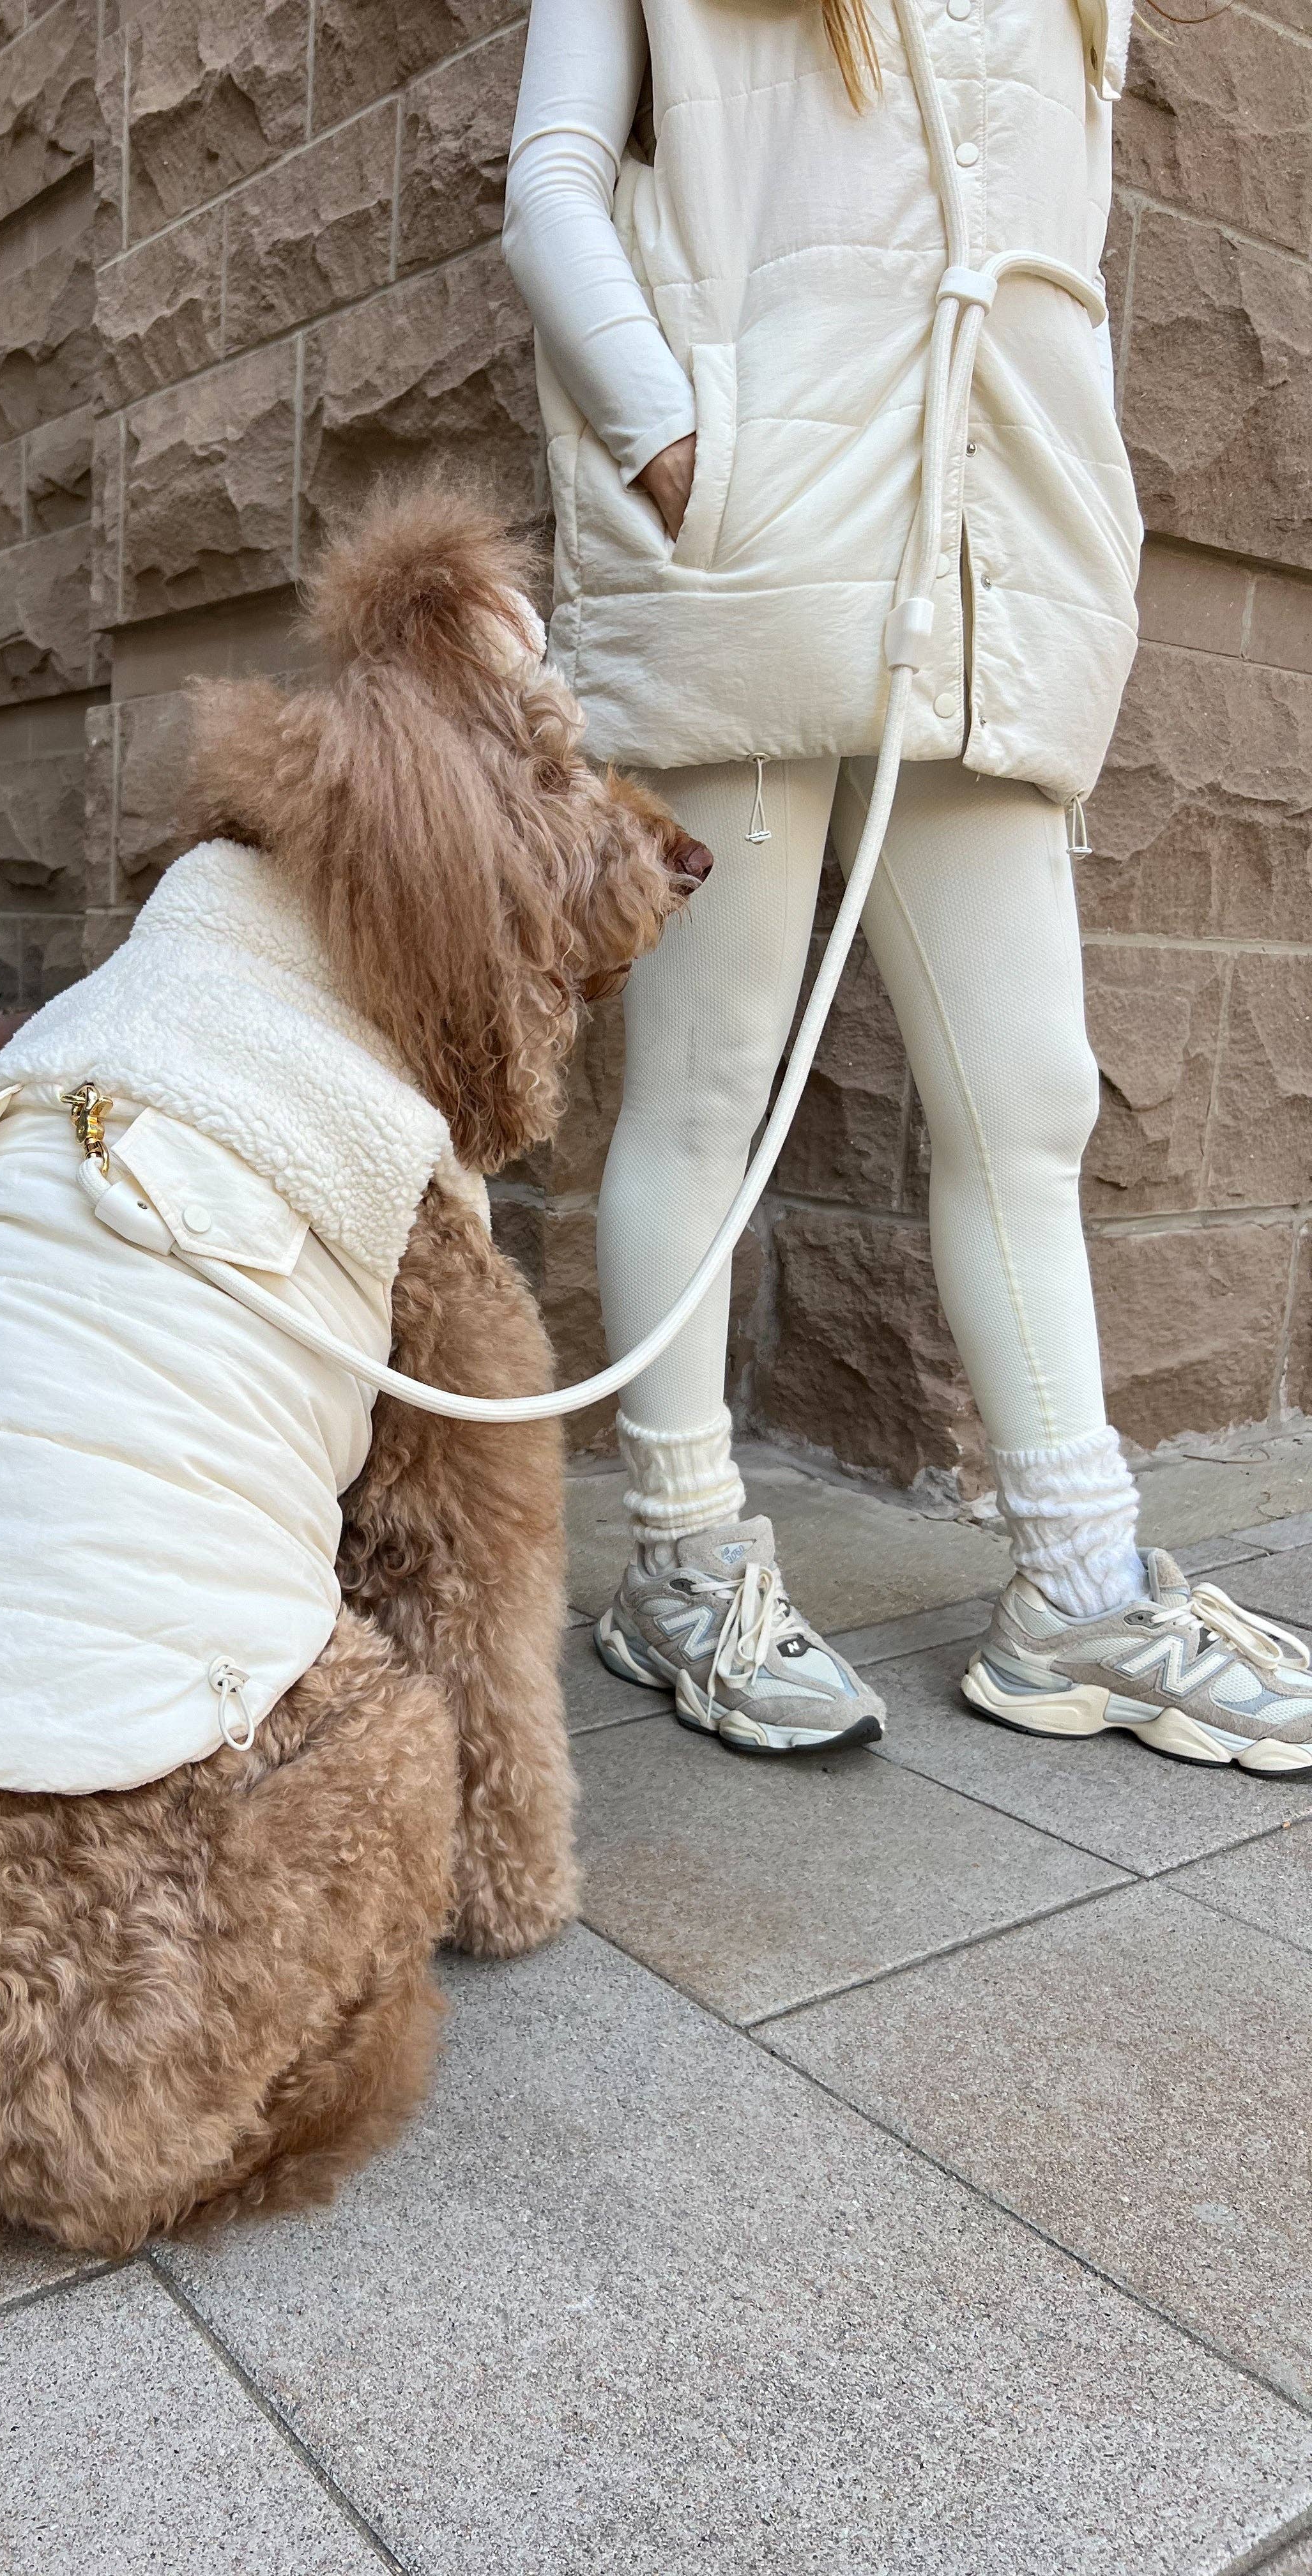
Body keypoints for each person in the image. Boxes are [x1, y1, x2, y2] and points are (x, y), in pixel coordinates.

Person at [501, 0, 1312, 1772]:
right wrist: (673, 444)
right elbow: (550, 182)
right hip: (754, 550)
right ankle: (686, 1557)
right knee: (706, 1087)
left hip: (994, 546)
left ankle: (1080, 1589)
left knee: (1028, 1098)